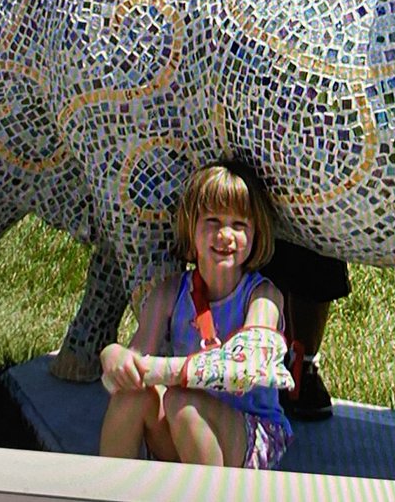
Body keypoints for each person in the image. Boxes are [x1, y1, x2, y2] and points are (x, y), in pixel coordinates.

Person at [135, 0, 356, 420]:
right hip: (227, 119)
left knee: (313, 260)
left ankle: (301, 365)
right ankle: (211, 352)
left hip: (307, 116)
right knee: (229, 238)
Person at [99, 160, 293, 469]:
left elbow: (245, 368)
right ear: (191, 227)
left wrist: (162, 371)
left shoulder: (263, 296)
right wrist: (114, 357)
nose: (225, 235)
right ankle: (105, 489)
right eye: (213, 221)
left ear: (257, 233)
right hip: (184, 419)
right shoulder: (168, 292)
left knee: (182, 402)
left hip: (251, 433)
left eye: (239, 225)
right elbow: (138, 360)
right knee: (132, 397)